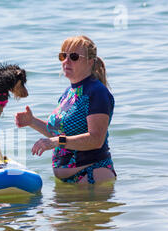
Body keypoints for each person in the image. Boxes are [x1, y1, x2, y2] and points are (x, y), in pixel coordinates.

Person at [15, 35, 116, 184]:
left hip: (91, 176)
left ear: (90, 62)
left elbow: (96, 140)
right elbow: (59, 135)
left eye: (74, 57)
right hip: (70, 184)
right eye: (63, 56)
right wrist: (32, 121)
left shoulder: (96, 92)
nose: (66, 61)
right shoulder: (69, 93)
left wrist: (56, 142)